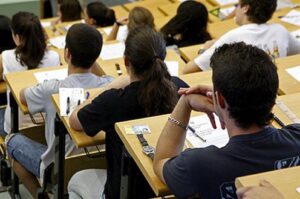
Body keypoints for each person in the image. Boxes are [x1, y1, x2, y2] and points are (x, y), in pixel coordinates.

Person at [153, 42, 300, 199]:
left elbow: (161, 161)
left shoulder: (197, 165)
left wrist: (185, 103)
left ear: (220, 100)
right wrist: (227, 94)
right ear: (273, 96)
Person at [68, 27, 189, 199]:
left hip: (125, 191)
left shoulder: (114, 100)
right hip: (170, 185)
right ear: (163, 58)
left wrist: (114, 84)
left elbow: (74, 120)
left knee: (76, 180)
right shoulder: (180, 88)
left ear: (126, 61)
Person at [5, 23, 113, 198]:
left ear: (66, 53)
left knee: (12, 140)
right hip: (99, 162)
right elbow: (106, 77)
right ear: (97, 56)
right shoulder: (110, 85)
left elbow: (22, 96)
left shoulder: (53, 88)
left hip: (57, 169)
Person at [183, 0, 300, 74]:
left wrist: (205, 49)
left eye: (237, 5)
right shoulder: (280, 30)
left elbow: (188, 70)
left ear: (245, 8)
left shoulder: (233, 36)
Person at [0, 12, 60, 136]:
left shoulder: (6, 56)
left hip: (16, 126)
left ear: (17, 37)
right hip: (48, 125)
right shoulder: (54, 57)